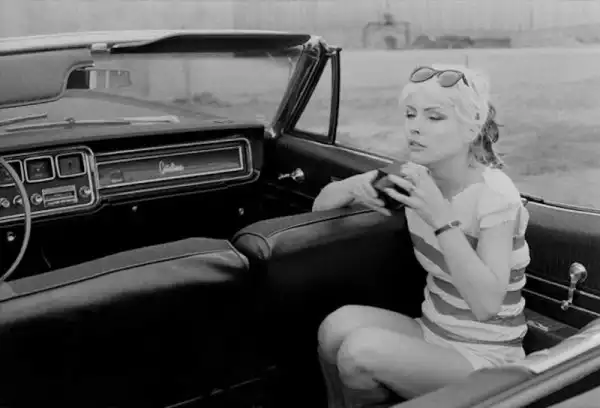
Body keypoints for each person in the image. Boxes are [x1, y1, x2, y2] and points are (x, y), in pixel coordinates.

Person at [313, 64, 530, 407]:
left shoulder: (495, 195)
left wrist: (440, 218)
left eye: (434, 117)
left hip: (487, 357)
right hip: (432, 330)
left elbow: (487, 305)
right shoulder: (411, 176)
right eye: (410, 114)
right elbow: (320, 208)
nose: (415, 126)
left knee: (358, 353)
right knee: (333, 328)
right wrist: (355, 186)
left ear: (471, 127)